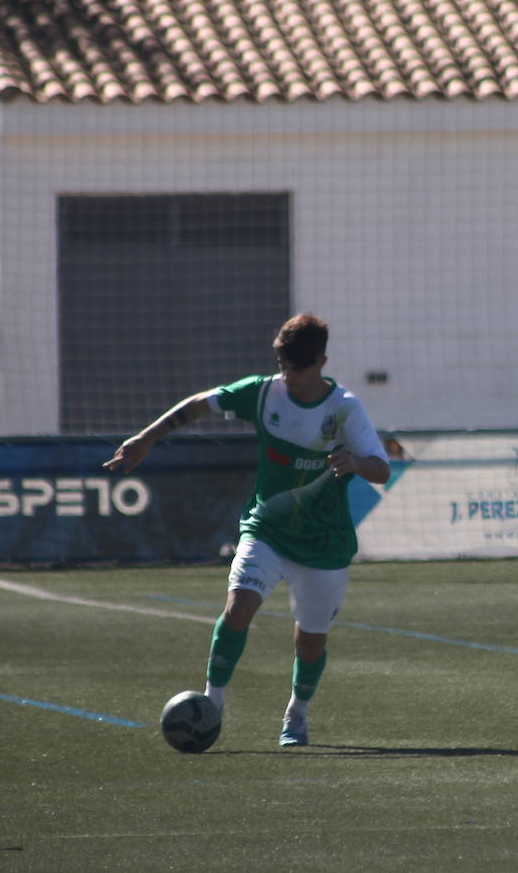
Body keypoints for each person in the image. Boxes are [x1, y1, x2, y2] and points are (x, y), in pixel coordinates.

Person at [103, 313, 390, 747]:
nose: (289, 376)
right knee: (239, 606)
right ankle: (211, 704)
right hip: (266, 530)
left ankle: (296, 714)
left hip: (323, 544)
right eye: (283, 366)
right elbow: (199, 404)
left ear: (321, 362)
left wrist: (356, 463)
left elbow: (382, 469)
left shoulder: (344, 408)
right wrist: (146, 438)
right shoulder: (262, 394)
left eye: (298, 368)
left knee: (310, 643)